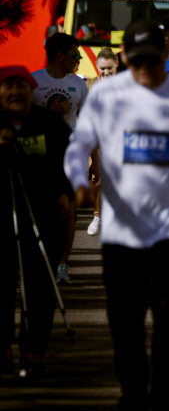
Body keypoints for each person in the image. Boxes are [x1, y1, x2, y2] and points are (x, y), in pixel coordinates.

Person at [64, 20, 169, 411]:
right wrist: (77, 180)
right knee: (125, 323)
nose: (144, 68)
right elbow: (78, 146)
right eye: (136, 60)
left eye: (152, 60)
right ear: (124, 56)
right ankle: (133, 390)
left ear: (166, 55)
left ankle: (165, 391)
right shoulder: (106, 95)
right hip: (123, 233)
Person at [1, 65, 73, 379]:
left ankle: (32, 351)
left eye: (22, 86)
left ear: (33, 91)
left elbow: (69, 161)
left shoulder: (50, 124)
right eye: (8, 87)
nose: (15, 93)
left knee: (39, 288)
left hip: (41, 217)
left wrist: (65, 193)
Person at [32, 32, 88, 285]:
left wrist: (94, 160)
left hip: (70, 155)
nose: (78, 60)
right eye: (75, 55)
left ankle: (62, 264)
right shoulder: (33, 82)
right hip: (38, 156)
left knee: (69, 211)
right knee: (39, 210)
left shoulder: (79, 84)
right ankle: (36, 258)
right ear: (60, 56)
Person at [86, 47, 121, 237]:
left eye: (110, 68)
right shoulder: (91, 86)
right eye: (102, 69)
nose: (106, 73)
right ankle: (97, 216)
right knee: (97, 180)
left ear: (116, 64)